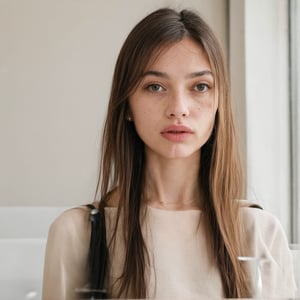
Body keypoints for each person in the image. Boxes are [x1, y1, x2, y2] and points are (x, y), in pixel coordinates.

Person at [42, 7, 296, 299]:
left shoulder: (259, 233)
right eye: (155, 87)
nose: (179, 108)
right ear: (126, 106)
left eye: (200, 86)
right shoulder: (78, 234)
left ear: (218, 104)